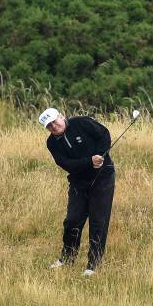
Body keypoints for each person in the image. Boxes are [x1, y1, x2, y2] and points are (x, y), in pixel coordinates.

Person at [39, 107, 115, 277]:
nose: (53, 126)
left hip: (103, 177)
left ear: (61, 116)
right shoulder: (51, 143)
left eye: (54, 121)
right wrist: (89, 161)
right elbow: (65, 164)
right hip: (78, 181)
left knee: (98, 222)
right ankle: (67, 257)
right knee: (72, 220)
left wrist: (100, 155)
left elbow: (104, 134)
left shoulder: (81, 123)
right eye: (49, 126)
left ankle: (93, 264)